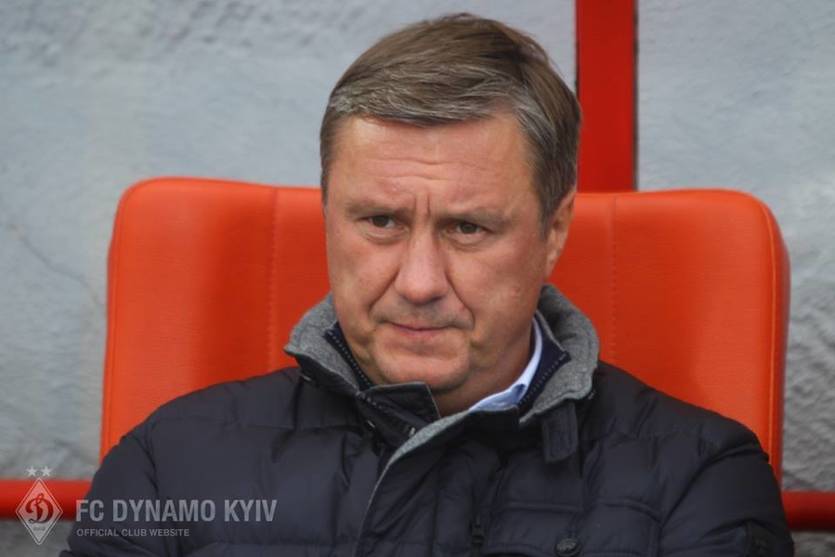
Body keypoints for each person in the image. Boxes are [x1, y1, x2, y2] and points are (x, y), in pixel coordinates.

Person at [62, 13, 793, 557]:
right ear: (328, 215)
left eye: (467, 228)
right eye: (380, 221)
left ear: (554, 230)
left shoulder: (699, 477)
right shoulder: (169, 458)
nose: (418, 283)